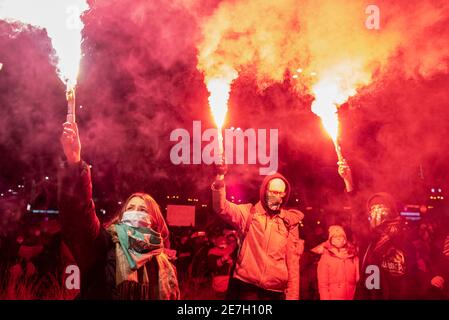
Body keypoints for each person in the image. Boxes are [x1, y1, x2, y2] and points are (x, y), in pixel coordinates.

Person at [58, 122, 179, 299]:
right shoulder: (104, 245)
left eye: (142, 209)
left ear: (154, 220)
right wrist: (75, 163)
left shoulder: (163, 263)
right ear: (121, 217)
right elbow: (80, 214)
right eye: (130, 208)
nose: (135, 212)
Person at [211, 163, 304, 300]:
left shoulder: (289, 222)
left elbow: (293, 264)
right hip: (246, 288)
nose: (275, 196)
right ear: (265, 191)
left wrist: (293, 297)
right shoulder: (249, 213)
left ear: (284, 194)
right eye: (272, 192)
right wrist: (219, 178)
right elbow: (221, 207)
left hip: (274, 292)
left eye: (279, 193)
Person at [313, 225, 359, 300]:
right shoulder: (325, 257)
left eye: (341, 236)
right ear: (331, 240)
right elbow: (323, 285)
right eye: (335, 236)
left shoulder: (352, 256)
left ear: (344, 239)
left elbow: (358, 279)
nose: (338, 238)